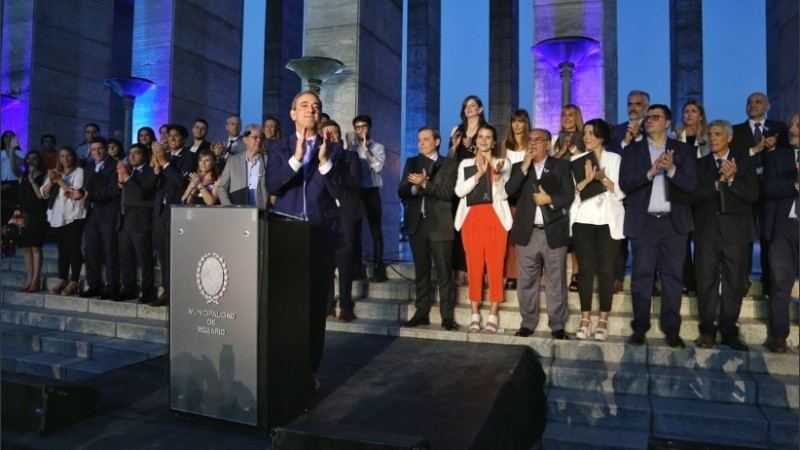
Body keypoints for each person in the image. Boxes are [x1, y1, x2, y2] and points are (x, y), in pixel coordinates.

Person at [266, 90, 346, 394]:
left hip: (320, 235)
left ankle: (310, 369)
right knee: (283, 305)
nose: (310, 110)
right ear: (293, 114)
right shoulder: (278, 147)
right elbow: (272, 184)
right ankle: (283, 364)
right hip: (285, 235)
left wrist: (323, 164)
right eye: (304, 105)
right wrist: (297, 160)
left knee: (314, 309)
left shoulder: (335, 150)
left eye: (315, 106)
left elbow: (342, 193)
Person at [619, 104, 697, 348]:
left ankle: (671, 330)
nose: (649, 121)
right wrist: (650, 173)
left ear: (667, 122)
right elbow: (625, 183)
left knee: (673, 277)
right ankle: (639, 328)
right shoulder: (633, 151)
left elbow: (692, 184)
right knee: (641, 277)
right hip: (645, 224)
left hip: (674, 224)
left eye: (655, 117)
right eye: (647, 117)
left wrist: (671, 170)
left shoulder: (683, 150)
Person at [691, 120, 758, 351]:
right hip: (707, 232)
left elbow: (753, 194)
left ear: (729, 137)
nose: (712, 138)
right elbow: (693, 195)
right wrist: (717, 183)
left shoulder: (744, 162)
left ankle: (729, 330)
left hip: (736, 233)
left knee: (734, 283)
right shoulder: (700, 164)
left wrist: (731, 180)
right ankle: (707, 330)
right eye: (710, 134)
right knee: (706, 282)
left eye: (718, 134)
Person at [505, 128, 574, 339]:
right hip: (527, 233)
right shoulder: (520, 167)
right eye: (530, 139)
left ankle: (558, 325)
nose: (533, 143)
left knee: (557, 281)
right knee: (526, 282)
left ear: (548, 144)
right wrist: (524, 166)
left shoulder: (561, 166)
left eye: (538, 139)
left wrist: (550, 200)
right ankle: (527, 322)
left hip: (553, 232)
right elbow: (509, 191)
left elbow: (568, 195)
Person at [569, 119, 625, 340]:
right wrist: (586, 181)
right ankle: (585, 318)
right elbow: (573, 192)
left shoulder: (614, 159)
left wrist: (602, 178)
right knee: (585, 271)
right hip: (584, 219)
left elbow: (620, 192)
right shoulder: (576, 159)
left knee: (605, 271)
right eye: (585, 133)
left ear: (602, 136)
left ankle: (603, 319)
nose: (587, 137)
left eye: (592, 133)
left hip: (608, 220)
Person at [399, 127, 459, 331]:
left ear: (437, 141)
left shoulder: (449, 164)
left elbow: (447, 193)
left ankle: (447, 316)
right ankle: (421, 312)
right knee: (421, 272)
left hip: (440, 225)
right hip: (417, 225)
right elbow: (402, 191)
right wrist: (415, 187)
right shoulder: (411, 163)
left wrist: (425, 184)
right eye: (419, 140)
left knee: (444, 274)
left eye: (425, 139)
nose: (421, 143)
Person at [454, 124, 512, 334]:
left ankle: (494, 314)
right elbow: (459, 191)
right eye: (481, 137)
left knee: (496, 266)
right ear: (476, 139)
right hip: (471, 219)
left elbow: (505, 195)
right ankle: (475, 314)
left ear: (494, 141)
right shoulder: (466, 164)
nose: (484, 140)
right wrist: (478, 175)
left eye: (488, 137)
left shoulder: (503, 163)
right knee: (474, 266)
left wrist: (497, 179)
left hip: (495, 219)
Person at [731, 92, 790, 296]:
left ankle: (768, 281)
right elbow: (734, 158)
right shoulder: (736, 131)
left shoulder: (780, 129)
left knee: (769, 236)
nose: (752, 105)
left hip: (772, 192)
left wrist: (772, 150)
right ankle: (742, 280)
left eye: (757, 102)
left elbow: (788, 157)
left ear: (768, 106)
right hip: (746, 191)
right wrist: (752, 151)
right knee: (744, 237)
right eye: (749, 102)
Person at [761, 113, 799, 353]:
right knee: (780, 283)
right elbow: (768, 188)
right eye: (791, 125)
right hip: (783, 227)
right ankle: (778, 334)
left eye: (797, 125)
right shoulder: (778, 157)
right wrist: (795, 184)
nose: (792, 129)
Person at [150, 124, 198, 307]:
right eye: (169, 136)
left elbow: (180, 181)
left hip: (178, 211)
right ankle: (166, 292)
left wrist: (164, 163)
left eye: (176, 136)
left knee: (177, 254)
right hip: (161, 212)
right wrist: (156, 167)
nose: (171, 139)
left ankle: (180, 293)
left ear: (184, 139)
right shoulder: (164, 157)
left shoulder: (189, 157)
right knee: (163, 255)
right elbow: (153, 185)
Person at [322, 120, 364, 322]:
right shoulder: (318, 158)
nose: (333, 136)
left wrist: (336, 167)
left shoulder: (351, 157)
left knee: (344, 261)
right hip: (326, 215)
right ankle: (328, 305)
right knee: (327, 262)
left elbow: (356, 184)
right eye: (328, 133)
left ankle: (346, 305)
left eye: (335, 132)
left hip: (346, 214)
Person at [448, 95, 487, 286]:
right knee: (458, 226)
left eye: (473, 105)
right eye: (466, 106)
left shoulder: (486, 130)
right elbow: (450, 158)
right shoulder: (457, 130)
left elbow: (488, 155)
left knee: (478, 228)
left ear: (480, 109)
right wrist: (455, 147)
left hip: (479, 181)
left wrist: (471, 146)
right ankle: (460, 268)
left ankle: (477, 268)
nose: (469, 108)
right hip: (460, 182)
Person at [79, 137, 121, 299]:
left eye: (100, 149)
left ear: (106, 149)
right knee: (91, 250)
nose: (96, 152)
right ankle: (94, 284)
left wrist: (90, 196)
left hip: (108, 214)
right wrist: (80, 194)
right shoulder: (89, 167)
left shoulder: (115, 165)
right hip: (91, 215)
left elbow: (113, 191)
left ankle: (112, 286)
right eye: (93, 149)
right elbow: (85, 188)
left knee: (110, 251)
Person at [40, 147, 86, 296]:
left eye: (68, 156)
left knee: (73, 248)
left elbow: (74, 192)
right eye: (62, 156)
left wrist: (58, 180)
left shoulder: (79, 171)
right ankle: (63, 279)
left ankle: (74, 281)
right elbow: (44, 193)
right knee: (62, 250)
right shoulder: (54, 171)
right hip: (56, 214)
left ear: (74, 157)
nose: (65, 159)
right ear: (58, 158)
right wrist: (52, 181)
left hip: (73, 214)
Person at [116, 144, 158, 303]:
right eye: (130, 153)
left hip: (141, 221)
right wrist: (121, 180)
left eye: (137, 153)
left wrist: (126, 177)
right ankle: (129, 288)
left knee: (144, 258)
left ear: (145, 155)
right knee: (126, 257)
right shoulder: (128, 170)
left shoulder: (150, 171)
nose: (132, 156)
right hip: (124, 219)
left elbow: (142, 194)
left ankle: (147, 291)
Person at [675, 100, 709, 295]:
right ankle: (686, 279)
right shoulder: (675, 137)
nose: (689, 114)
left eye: (693, 111)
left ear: (701, 116)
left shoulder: (707, 138)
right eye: (686, 111)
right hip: (681, 194)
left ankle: (700, 280)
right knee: (682, 240)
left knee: (702, 240)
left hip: (702, 195)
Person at [552, 104, 586, 292]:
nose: (567, 118)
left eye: (571, 115)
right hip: (560, 191)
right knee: (563, 234)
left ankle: (577, 273)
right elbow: (551, 163)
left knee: (577, 236)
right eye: (564, 114)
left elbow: (588, 160)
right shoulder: (556, 139)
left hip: (579, 191)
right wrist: (562, 149)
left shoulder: (584, 137)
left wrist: (572, 148)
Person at [349, 114, 387, 282]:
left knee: (376, 231)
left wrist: (365, 149)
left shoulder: (378, 147)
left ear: (369, 127)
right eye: (357, 127)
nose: (361, 130)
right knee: (355, 231)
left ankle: (379, 268)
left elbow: (378, 168)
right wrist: (351, 149)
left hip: (371, 191)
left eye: (363, 126)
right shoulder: (351, 148)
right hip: (356, 193)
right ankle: (357, 268)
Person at [499, 109, 531, 290]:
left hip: (528, 196)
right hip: (509, 196)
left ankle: (529, 273)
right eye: (514, 121)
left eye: (521, 121)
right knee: (511, 238)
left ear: (526, 124)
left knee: (528, 238)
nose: (517, 125)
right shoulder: (503, 145)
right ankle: (512, 275)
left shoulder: (531, 145)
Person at [12, 151, 49, 293]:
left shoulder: (44, 177)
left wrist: (33, 179)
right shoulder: (23, 177)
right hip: (23, 215)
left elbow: (41, 196)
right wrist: (12, 149)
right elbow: (14, 167)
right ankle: (29, 278)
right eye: (28, 159)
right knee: (26, 248)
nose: (30, 161)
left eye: (34, 158)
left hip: (37, 215)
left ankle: (35, 280)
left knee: (35, 247)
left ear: (39, 161)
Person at [217, 124, 269, 211]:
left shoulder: (267, 161)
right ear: (245, 139)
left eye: (261, 137)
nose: (259, 140)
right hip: (237, 212)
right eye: (255, 137)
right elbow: (222, 187)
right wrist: (229, 207)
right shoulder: (233, 161)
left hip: (261, 213)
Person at [1, 131, 24, 243]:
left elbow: (21, 166)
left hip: (14, 183)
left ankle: (8, 240)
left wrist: (12, 150)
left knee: (10, 211)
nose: (9, 138)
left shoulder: (21, 153)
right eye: (6, 136)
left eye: (11, 137)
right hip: (1, 183)